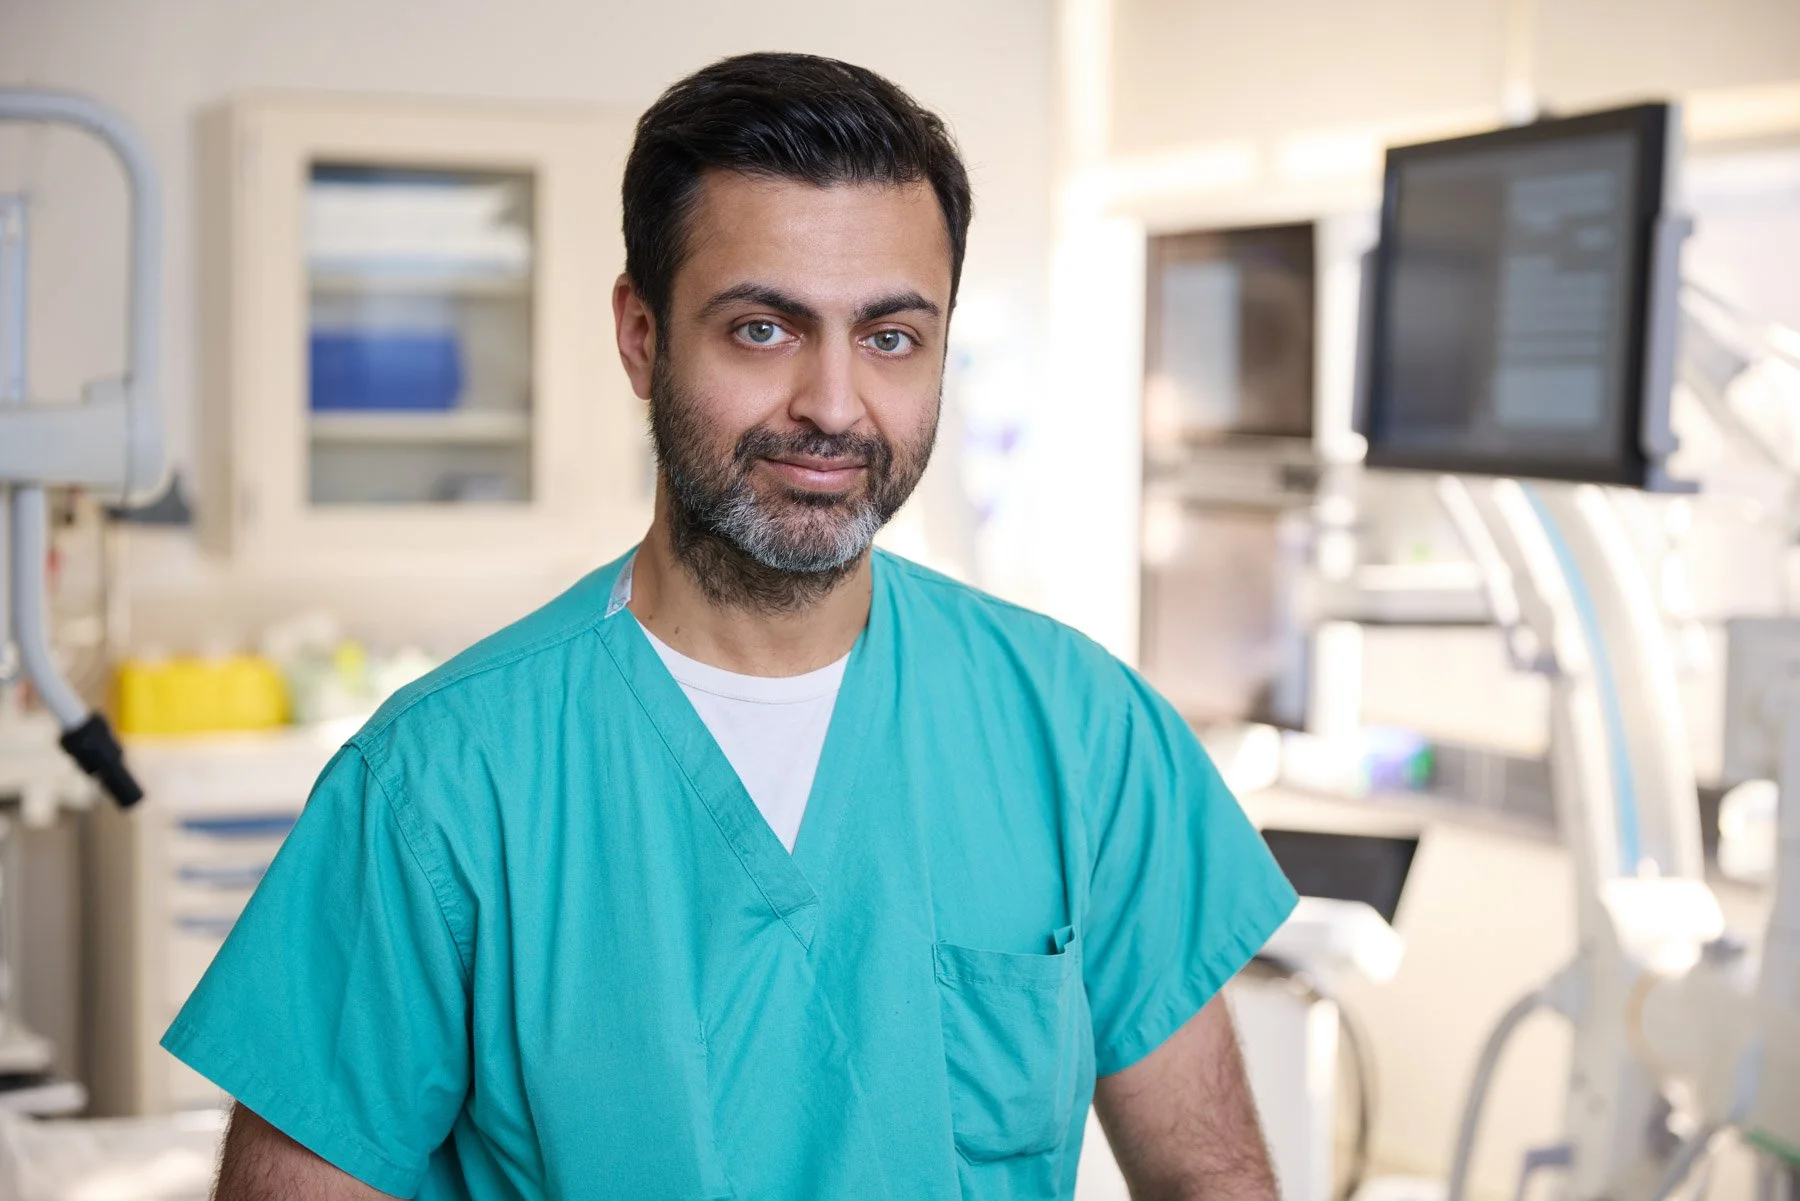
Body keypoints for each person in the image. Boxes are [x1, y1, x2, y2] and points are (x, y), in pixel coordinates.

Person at [165, 51, 1298, 1201]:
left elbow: (1214, 1176)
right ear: (642, 336)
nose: (835, 404)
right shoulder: (440, 786)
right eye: (764, 329)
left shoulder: (1080, 731)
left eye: (892, 338)